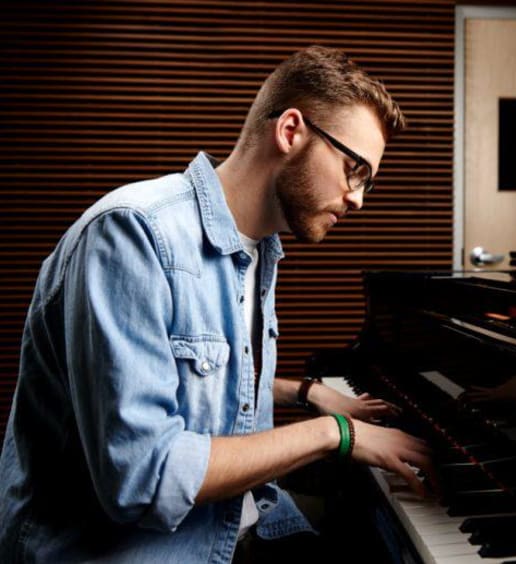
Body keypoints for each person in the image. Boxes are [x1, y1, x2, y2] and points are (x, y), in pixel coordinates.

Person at [0, 45, 433, 563]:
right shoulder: (134, 236)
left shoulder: (258, 250)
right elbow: (145, 474)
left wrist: (308, 392)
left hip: (246, 523)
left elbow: (192, 380)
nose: (358, 198)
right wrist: (335, 433)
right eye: (354, 169)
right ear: (290, 131)